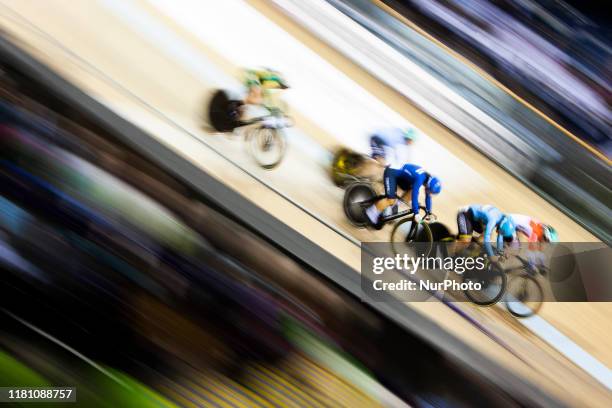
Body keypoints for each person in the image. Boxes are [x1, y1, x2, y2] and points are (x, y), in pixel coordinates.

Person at [365, 164, 441, 229]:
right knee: (391, 200)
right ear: (428, 186)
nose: (429, 193)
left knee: (410, 193)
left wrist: (429, 213)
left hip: (402, 176)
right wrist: (416, 213)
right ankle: (370, 213)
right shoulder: (420, 178)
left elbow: (428, 197)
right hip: (391, 173)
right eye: (430, 191)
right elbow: (415, 193)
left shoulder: (427, 179)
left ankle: (391, 207)